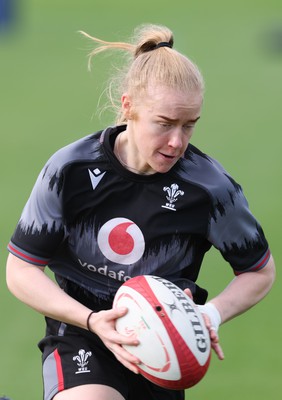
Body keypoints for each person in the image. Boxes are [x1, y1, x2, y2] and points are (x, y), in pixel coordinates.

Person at [6, 23, 275, 400]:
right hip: (83, 337)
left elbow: (259, 271)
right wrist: (91, 320)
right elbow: (21, 268)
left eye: (189, 125)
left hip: (166, 346)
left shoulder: (210, 189)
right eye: (164, 124)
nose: (177, 141)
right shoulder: (69, 171)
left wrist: (209, 315)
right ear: (128, 106)